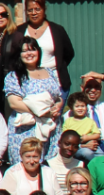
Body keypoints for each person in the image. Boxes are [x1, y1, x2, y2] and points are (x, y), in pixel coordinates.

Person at [4, 36, 64, 165]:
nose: (29, 53)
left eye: (32, 49)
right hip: (26, 129)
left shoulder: (49, 72)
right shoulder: (14, 76)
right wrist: (42, 112)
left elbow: (58, 96)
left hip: (51, 125)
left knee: (49, 165)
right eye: (24, 51)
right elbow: (14, 103)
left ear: (39, 52)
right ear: (19, 55)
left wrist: (58, 105)